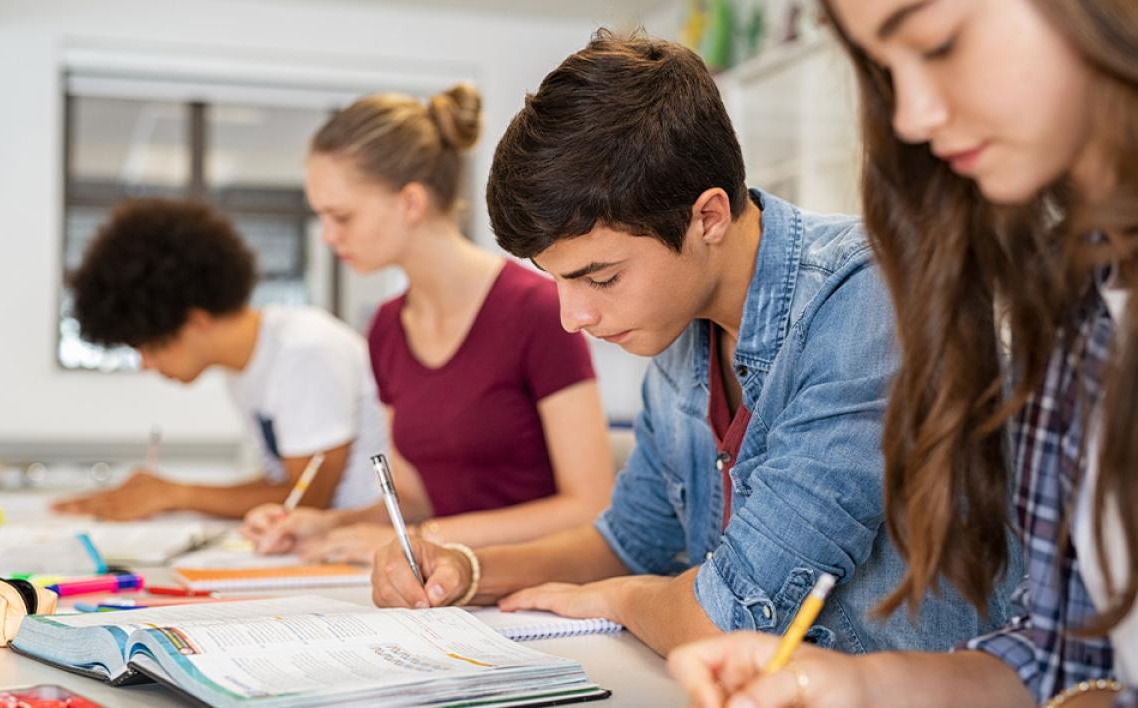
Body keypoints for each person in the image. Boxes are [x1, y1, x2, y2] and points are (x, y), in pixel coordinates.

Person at [369, 33, 1014, 658]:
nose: (572, 316)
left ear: (707, 217)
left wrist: (625, 600)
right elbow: (630, 542)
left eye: (600, 277)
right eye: (558, 280)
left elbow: (732, 619)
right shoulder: (681, 327)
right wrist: (466, 567)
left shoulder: (867, 299)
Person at [667, 1, 1138, 706]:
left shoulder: (853, 295)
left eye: (940, 44)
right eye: (886, 71)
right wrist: (856, 685)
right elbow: (1066, 658)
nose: (912, 116)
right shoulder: (1078, 306)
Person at [241, 83, 615, 561]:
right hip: (446, 588)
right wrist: (325, 525)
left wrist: (422, 540)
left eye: (341, 217)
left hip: (539, 586)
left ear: (410, 203)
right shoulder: (386, 328)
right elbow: (415, 501)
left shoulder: (539, 310)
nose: (330, 237)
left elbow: (588, 506)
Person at [53, 199, 387, 520]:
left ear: (196, 321)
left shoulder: (305, 350)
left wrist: (176, 494)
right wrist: (168, 493)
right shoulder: (244, 369)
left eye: (150, 347)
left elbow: (308, 498)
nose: (146, 365)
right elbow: (284, 484)